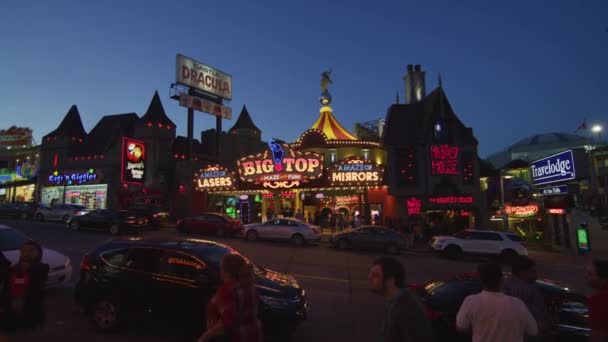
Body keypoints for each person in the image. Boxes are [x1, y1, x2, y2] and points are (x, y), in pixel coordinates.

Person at [456, 262, 537, 342]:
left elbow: (461, 328)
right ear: (501, 279)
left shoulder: (471, 301)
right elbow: (533, 331)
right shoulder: (518, 304)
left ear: (480, 280)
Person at [199, 254, 262, 342]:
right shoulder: (249, 286)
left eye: (221, 268)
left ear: (226, 273)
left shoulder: (227, 290)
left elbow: (227, 321)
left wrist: (205, 337)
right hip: (252, 335)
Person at [368, 257, 432, 342]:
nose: (369, 277)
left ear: (390, 280)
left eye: (375, 275)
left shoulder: (406, 310)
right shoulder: (395, 301)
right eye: (370, 273)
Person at [3, 241, 50, 334]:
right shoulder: (14, 268)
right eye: (23, 250)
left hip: (30, 310)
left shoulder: (42, 268)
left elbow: (40, 277)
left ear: (38, 253)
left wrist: (30, 269)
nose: (26, 253)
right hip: (11, 309)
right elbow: (6, 286)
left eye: (31, 251)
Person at [502, 256, 553, 338]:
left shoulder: (505, 285)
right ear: (522, 273)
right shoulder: (529, 289)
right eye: (532, 271)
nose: (536, 275)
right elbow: (538, 313)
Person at [586, 258, 608, 342]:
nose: (586, 276)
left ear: (603, 279)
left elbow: (598, 335)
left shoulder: (598, 300)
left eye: (590, 274)